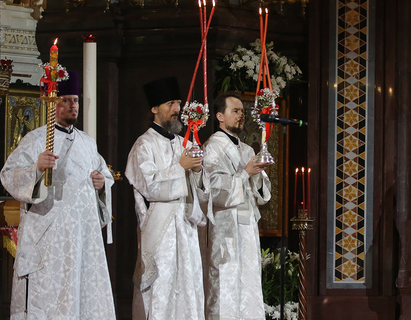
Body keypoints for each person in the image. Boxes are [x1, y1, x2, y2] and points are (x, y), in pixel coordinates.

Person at [0, 71, 116, 319]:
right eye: (66, 100)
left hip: (83, 236)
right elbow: (8, 175)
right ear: (52, 102)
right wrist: (37, 169)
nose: (72, 105)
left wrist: (100, 182)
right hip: (51, 236)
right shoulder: (35, 140)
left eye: (75, 100)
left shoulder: (87, 142)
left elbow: (104, 174)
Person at [125, 76, 207, 320]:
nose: (177, 110)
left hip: (185, 227)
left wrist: (197, 172)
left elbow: (203, 189)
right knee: (162, 287)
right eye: (170, 103)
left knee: (187, 286)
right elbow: (149, 188)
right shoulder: (144, 144)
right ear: (154, 108)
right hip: (160, 229)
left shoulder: (186, 143)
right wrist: (180, 167)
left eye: (178, 103)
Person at [202, 92, 272, 320]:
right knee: (226, 284)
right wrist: (245, 174)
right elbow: (215, 190)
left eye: (242, 111)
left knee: (249, 284)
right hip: (226, 227)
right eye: (236, 111)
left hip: (247, 227)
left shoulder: (248, 150)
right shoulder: (212, 146)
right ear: (220, 116)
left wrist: (257, 175)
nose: (241, 115)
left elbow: (263, 196)